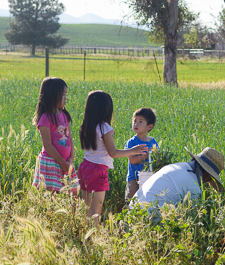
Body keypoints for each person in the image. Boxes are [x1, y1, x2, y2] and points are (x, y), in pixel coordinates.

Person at [78, 90, 148, 223]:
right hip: (98, 170)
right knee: (95, 212)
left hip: (85, 167)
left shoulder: (85, 126)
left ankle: (82, 235)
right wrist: (133, 150)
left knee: (85, 208)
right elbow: (113, 153)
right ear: (106, 110)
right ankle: (94, 238)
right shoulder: (105, 128)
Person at [131, 146, 225, 212]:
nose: (206, 182)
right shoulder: (193, 188)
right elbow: (190, 217)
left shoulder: (179, 166)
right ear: (207, 174)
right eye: (210, 179)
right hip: (150, 218)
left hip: (133, 209)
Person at [32, 76, 76, 193]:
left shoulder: (64, 115)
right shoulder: (46, 118)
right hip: (51, 163)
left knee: (72, 192)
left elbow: (70, 138)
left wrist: (70, 159)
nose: (65, 98)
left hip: (65, 163)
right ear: (52, 95)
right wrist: (62, 163)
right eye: (62, 95)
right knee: (52, 195)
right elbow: (47, 145)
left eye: (66, 94)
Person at [124, 107, 159, 202]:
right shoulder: (132, 142)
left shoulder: (153, 142)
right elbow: (132, 160)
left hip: (149, 177)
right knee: (131, 201)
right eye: (134, 121)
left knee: (147, 201)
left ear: (149, 127)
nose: (136, 124)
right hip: (134, 178)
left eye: (140, 121)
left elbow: (158, 158)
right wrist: (146, 155)